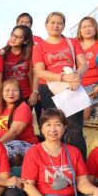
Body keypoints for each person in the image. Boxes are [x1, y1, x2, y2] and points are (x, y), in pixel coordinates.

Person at [32, 11, 89, 159]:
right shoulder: (39, 47)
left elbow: (83, 64)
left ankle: (81, 166)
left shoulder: (72, 42)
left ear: (64, 26)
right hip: (49, 89)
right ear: (46, 25)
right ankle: (58, 163)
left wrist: (76, 77)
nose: (56, 26)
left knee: (75, 131)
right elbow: (40, 72)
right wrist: (62, 77)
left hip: (71, 87)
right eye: (52, 22)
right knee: (54, 129)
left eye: (59, 23)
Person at [0, 79, 37, 165]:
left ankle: (16, 170)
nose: (11, 93)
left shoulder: (23, 107)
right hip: (2, 141)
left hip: (25, 144)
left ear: (20, 93)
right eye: (7, 90)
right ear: (2, 92)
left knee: (7, 149)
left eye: (15, 90)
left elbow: (14, 132)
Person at [75, 16, 98, 111]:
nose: (87, 29)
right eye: (84, 27)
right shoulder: (74, 44)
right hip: (74, 85)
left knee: (85, 115)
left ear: (95, 28)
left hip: (92, 86)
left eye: (90, 26)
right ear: (80, 30)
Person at [0, 25, 36, 109]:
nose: (14, 38)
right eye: (13, 35)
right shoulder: (2, 53)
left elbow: (34, 74)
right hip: (8, 95)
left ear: (26, 41)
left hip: (25, 95)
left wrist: (34, 92)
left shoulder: (30, 54)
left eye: (19, 37)